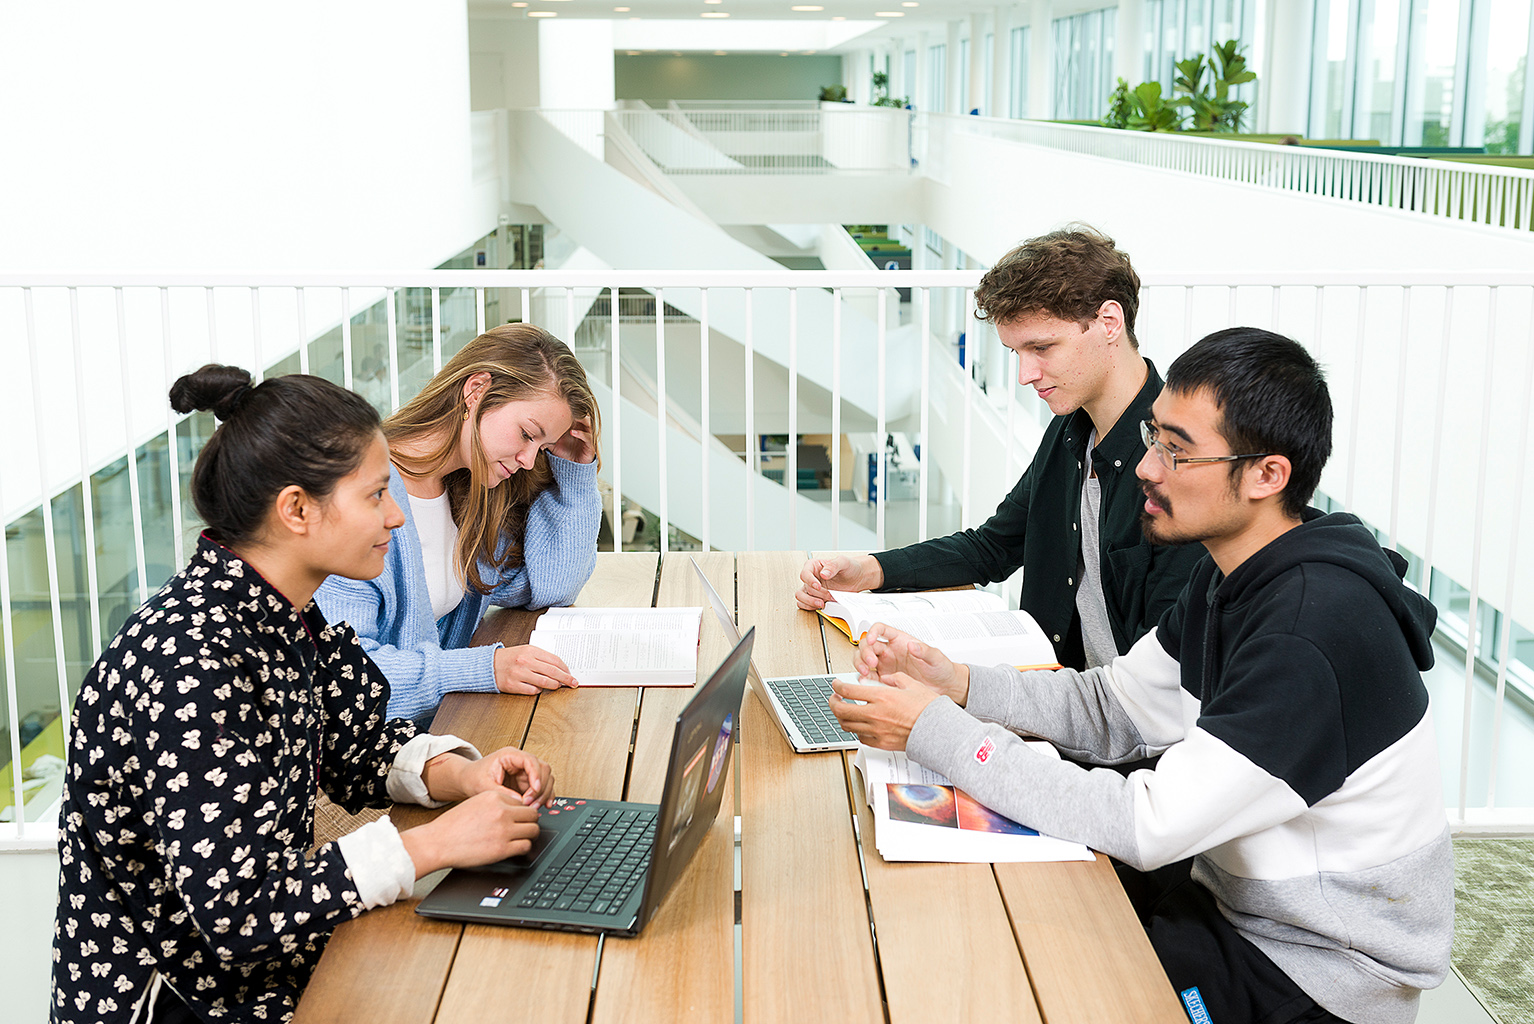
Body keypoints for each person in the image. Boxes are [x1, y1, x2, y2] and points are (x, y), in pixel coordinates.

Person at [831, 328, 1453, 1024]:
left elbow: (1149, 822)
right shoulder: (1235, 573)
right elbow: (1116, 706)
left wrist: (935, 730)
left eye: (1177, 451)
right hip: (1230, 901)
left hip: (1315, 970)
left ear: (1267, 475)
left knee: (1011, 984)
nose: (1148, 469)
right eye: (1155, 438)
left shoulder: (1310, 632)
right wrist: (959, 684)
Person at [53, 366, 557, 1024]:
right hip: (179, 999)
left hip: (264, 968)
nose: (397, 515)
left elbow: (356, 743)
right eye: (377, 495)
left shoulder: (289, 613)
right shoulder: (192, 663)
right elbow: (235, 914)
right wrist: (433, 846)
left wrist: (461, 774)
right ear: (296, 509)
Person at [797, 226, 1205, 670]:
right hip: (1053, 690)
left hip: (1115, 724)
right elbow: (991, 547)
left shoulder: (1178, 469)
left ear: (1109, 322)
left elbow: (1162, 685)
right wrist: (870, 570)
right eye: (1016, 353)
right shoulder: (1071, 432)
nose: (1025, 374)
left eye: (1042, 347)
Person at [317, 324, 603, 723]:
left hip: (436, 732)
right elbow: (344, 676)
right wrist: (484, 668)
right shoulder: (360, 493)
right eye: (526, 434)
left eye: (542, 448)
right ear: (476, 390)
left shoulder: (467, 495)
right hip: (365, 761)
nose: (528, 460)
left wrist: (573, 472)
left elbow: (552, 585)